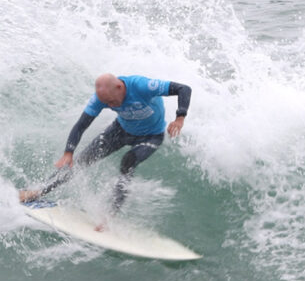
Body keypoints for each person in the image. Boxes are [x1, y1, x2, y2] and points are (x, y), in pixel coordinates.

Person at [18, 73, 192, 224]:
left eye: (111, 101)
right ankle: (38, 191)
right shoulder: (101, 98)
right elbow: (81, 125)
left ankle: (111, 215)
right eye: (105, 103)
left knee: (128, 161)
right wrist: (68, 152)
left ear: (119, 86)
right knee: (78, 162)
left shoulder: (142, 86)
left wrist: (180, 118)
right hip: (120, 131)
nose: (110, 105)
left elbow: (184, 89)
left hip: (151, 136)